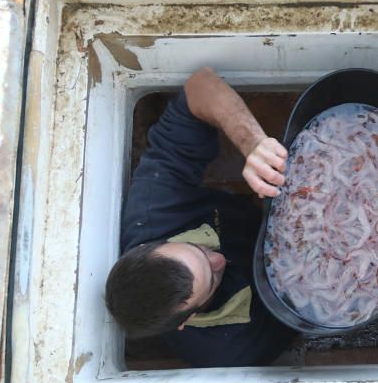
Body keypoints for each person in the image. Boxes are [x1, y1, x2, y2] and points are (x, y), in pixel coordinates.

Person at [105, 68, 294, 367]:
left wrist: (253, 145)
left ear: (149, 246)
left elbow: (198, 87)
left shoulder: (151, 213)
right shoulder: (233, 349)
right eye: (212, 277)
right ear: (187, 319)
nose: (219, 260)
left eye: (199, 250)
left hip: (255, 212)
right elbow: (300, 317)